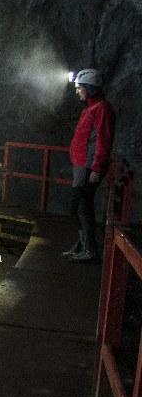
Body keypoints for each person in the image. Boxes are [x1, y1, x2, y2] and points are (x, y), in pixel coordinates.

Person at [62, 68, 115, 262]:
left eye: (79, 88)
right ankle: (82, 246)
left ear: (90, 89)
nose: (77, 91)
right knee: (82, 207)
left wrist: (97, 168)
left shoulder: (101, 109)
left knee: (78, 208)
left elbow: (103, 140)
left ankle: (90, 250)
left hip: (87, 167)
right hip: (82, 165)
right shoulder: (91, 108)